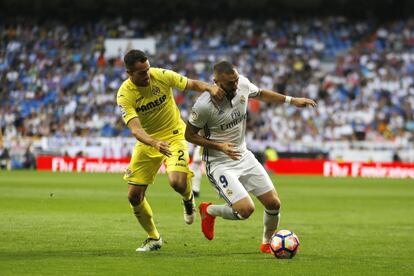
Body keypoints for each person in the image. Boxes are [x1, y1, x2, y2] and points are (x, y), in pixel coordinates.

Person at [185, 61, 316, 253]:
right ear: (216, 82)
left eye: (236, 80)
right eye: (230, 83)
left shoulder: (243, 85)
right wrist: (219, 146)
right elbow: (189, 135)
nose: (235, 85)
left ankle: (267, 243)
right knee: (246, 210)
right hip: (219, 162)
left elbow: (261, 94)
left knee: (274, 203)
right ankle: (209, 210)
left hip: (243, 155)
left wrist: (292, 100)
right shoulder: (204, 105)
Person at [116, 49, 225, 252]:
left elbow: (191, 84)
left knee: (177, 182)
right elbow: (136, 129)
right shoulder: (124, 94)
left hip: (175, 135)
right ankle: (154, 238)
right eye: (141, 73)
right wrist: (154, 143)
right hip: (148, 142)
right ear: (129, 73)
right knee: (133, 196)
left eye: (147, 69)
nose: (147, 75)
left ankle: (188, 199)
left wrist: (210, 88)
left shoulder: (161, 75)